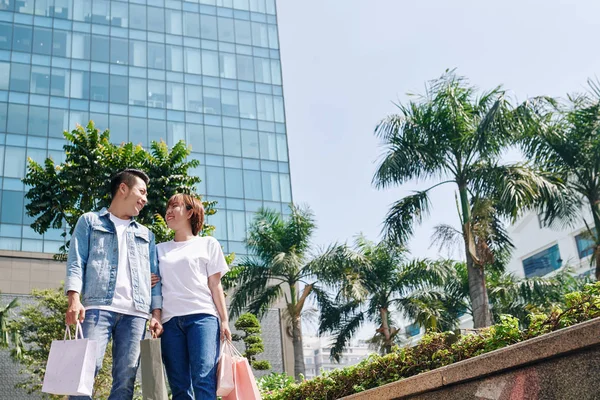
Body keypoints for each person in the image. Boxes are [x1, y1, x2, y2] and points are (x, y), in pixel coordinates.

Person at [64, 168, 163, 400]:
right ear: (123, 188)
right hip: (97, 308)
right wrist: (74, 299)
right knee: (84, 374)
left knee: (125, 381)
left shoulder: (146, 234)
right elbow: (77, 262)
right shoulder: (90, 221)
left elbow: (154, 278)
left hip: (136, 314)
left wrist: (155, 313)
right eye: (142, 191)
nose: (145, 199)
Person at [152, 193, 231, 399]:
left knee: (203, 380)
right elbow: (154, 286)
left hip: (202, 318)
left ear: (190, 212)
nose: (169, 211)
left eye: (175, 206)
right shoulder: (159, 250)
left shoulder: (208, 243)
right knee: (179, 386)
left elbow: (215, 285)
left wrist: (224, 321)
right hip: (170, 323)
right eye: (168, 206)